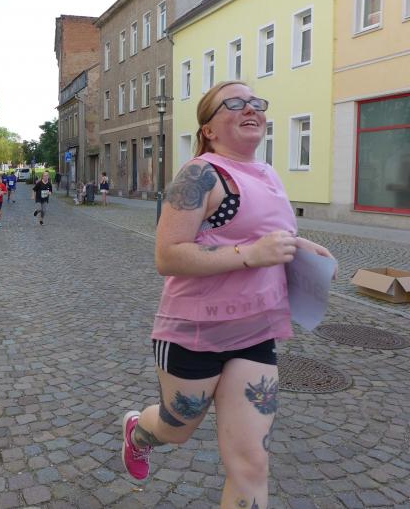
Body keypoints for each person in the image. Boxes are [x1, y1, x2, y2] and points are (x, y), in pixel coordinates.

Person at [119, 81, 335, 509]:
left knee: (252, 464)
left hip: (256, 333)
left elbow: (262, 234)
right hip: (194, 333)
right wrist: (252, 255)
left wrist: (298, 247)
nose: (250, 108)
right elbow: (168, 255)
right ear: (209, 129)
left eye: (256, 102)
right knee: (176, 428)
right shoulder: (201, 174)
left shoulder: (268, 174)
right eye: (234, 103)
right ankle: (138, 433)